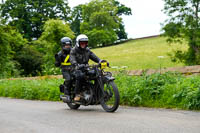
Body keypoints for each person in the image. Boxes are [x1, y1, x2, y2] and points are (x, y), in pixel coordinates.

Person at [70, 34, 106, 101]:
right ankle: (77, 94)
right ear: (78, 43)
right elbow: (72, 59)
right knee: (80, 76)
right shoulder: (73, 50)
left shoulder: (87, 50)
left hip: (86, 68)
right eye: (82, 42)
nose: (83, 44)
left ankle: (97, 92)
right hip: (75, 69)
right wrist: (76, 65)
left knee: (97, 73)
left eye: (85, 42)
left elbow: (94, 57)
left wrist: (100, 61)